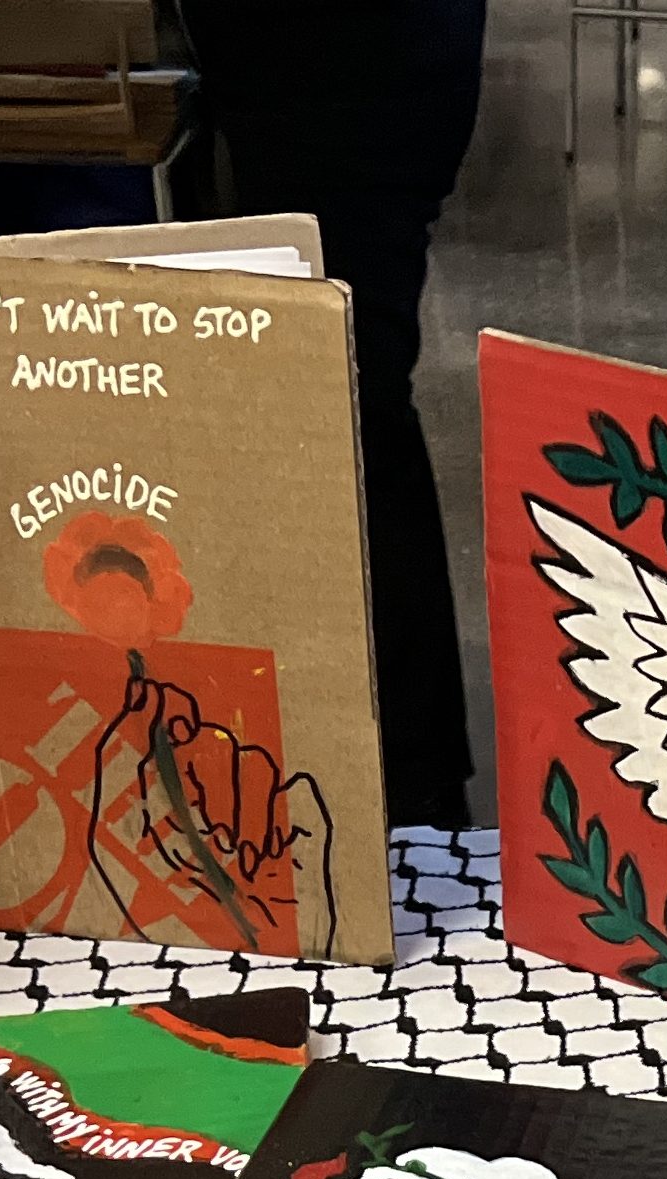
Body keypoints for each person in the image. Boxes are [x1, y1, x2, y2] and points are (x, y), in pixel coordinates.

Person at [177, 0, 487, 831]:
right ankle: (401, 775)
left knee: (349, 398)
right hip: (319, 69)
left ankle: (409, 787)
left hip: (342, 71)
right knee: (342, 394)